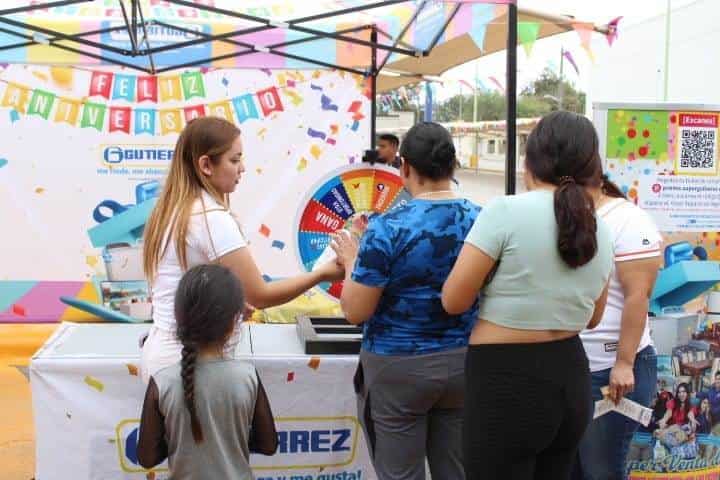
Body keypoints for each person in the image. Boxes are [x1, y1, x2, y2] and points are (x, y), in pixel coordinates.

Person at [442, 111, 614, 480]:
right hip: (571, 374)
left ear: (530, 160)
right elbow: (593, 318)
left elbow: (453, 300)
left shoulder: (504, 211)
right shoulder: (601, 228)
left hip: (507, 380)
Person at [141, 117, 342, 382]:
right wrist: (322, 274)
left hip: (165, 354)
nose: (242, 168)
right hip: (190, 364)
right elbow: (260, 295)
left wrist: (229, 303)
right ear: (205, 165)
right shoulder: (210, 218)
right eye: (234, 160)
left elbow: (182, 285)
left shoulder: (174, 209)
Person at [332, 122, 480, 480]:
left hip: (397, 367)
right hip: (465, 362)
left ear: (405, 167)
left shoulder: (388, 227)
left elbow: (356, 310)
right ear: (452, 165)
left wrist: (352, 259)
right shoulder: (482, 219)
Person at [137, 264, 278, 478]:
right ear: (233, 323)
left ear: (178, 319)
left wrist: (178, 442)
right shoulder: (248, 377)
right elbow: (269, 445)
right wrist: (230, 440)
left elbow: (147, 458)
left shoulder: (161, 382)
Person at [573, 175, 662, 480]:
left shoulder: (628, 219)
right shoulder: (567, 216)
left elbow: (639, 295)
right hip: (574, 367)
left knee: (601, 470)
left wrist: (624, 363)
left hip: (613, 371)